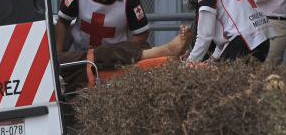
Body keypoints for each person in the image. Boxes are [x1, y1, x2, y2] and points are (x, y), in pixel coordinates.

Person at [59, 26, 193, 92]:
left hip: (57, 64)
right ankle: (165, 50)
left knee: (127, 46)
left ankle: (163, 51)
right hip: (69, 70)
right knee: (107, 53)